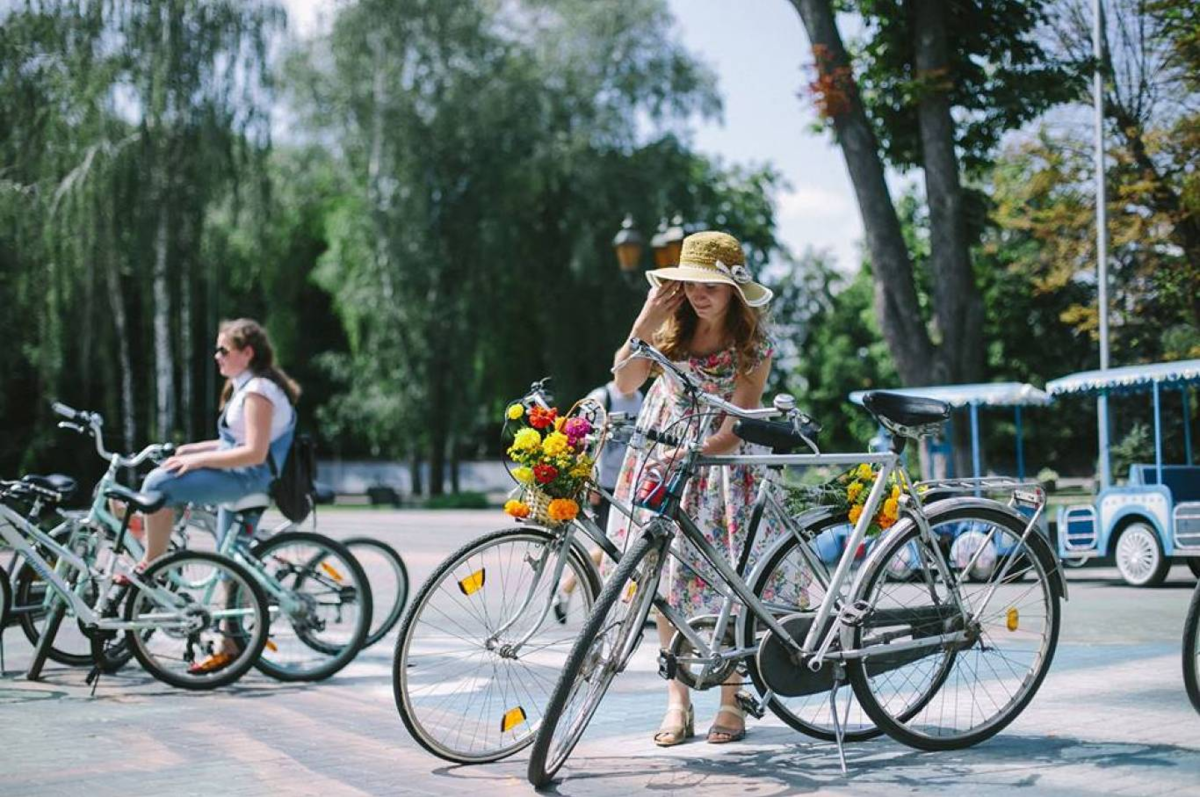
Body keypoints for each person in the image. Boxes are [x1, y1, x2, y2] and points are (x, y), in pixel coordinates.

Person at [607, 230, 799, 747]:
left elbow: (741, 419)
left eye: (710, 285)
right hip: (665, 457)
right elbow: (625, 383)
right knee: (666, 581)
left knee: (729, 580)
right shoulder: (669, 327)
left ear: (733, 290)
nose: (698, 293)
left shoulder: (752, 342)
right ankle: (677, 700)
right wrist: (646, 318)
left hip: (724, 466)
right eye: (690, 282)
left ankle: (732, 698)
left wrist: (696, 453)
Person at [132, 318, 300, 673]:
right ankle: (230, 644)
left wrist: (196, 462)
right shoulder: (245, 387)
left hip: (249, 478)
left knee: (158, 486)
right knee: (231, 567)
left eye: (224, 349)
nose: (217, 356)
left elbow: (253, 453)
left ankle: (154, 567)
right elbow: (232, 443)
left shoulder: (258, 391)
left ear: (247, 353)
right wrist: (189, 450)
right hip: (240, 475)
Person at [585, 380, 644, 530]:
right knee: (605, 540)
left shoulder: (640, 399)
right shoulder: (602, 396)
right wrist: (590, 481)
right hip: (603, 483)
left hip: (629, 484)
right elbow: (583, 440)